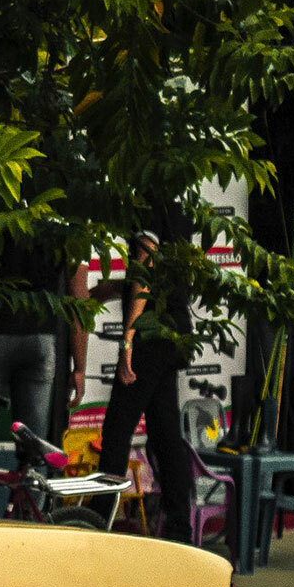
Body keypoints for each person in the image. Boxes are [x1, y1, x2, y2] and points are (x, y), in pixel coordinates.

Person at [93, 211, 195, 543]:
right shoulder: (181, 207)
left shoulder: (150, 199)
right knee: (166, 434)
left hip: (151, 334)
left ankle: (100, 519)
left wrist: (127, 341)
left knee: (117, 429)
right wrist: (110, 290)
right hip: (174, 329)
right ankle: (180, 526)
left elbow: (145, 265)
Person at [0, 241, 81, 459]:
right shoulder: (63, 223)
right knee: (35, 449)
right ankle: (29, 489)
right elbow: (78, 293)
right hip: (41, 335)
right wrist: (80, 367)